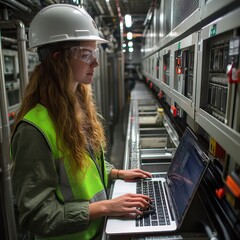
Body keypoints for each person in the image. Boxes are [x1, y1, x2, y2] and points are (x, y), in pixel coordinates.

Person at [11, 4, 152, 240]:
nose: (95, 63)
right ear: (59, 59)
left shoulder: (77, 109)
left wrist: (116, 173)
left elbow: (84, 169)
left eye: (94, 54)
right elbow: (35, 214)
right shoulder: (34, 130)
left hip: (97, 231)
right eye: (86, 55)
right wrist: (105, 207)